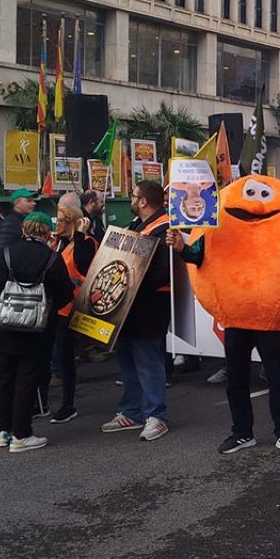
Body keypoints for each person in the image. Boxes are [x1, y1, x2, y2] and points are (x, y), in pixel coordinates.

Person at [171, 175, 280, 458]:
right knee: (237, 380)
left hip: (268, 320)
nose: (255, 204)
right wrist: (182, 247)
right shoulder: (215, 225)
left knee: (276, 379)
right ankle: (242, 432)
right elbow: (197, 256)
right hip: (236, 318)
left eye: (262, 195)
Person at [0, 212, 74, 453]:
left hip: (4, 328)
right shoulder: (52, 259)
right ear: (47, 233)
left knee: (4, 379)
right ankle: (21, 434)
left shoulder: (4, 255)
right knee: (27, 380)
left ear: (23, 230)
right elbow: (65, 296)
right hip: (38, 331)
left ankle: (2, 431)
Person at [99, 180, 173, 442]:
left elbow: (163, 272)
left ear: (143, 201)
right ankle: (131, 411)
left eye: (133, 196)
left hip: (149, 305)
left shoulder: (165, 229)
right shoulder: (136, 226)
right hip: (127, 306)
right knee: (128, 359)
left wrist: (129, 284)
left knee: (148, 361)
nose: (130, 200)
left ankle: (157, 415)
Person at [38, 203, 97, 424]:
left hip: (71, 307)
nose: (56, 224)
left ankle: (68, 404)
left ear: (72, 222)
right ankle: (42, 403)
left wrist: (80, 235)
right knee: (47, 355)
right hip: (53, 306)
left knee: (65, 357)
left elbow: (82, 265)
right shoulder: (58, 243)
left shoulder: (86, 242)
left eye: (61, 220)